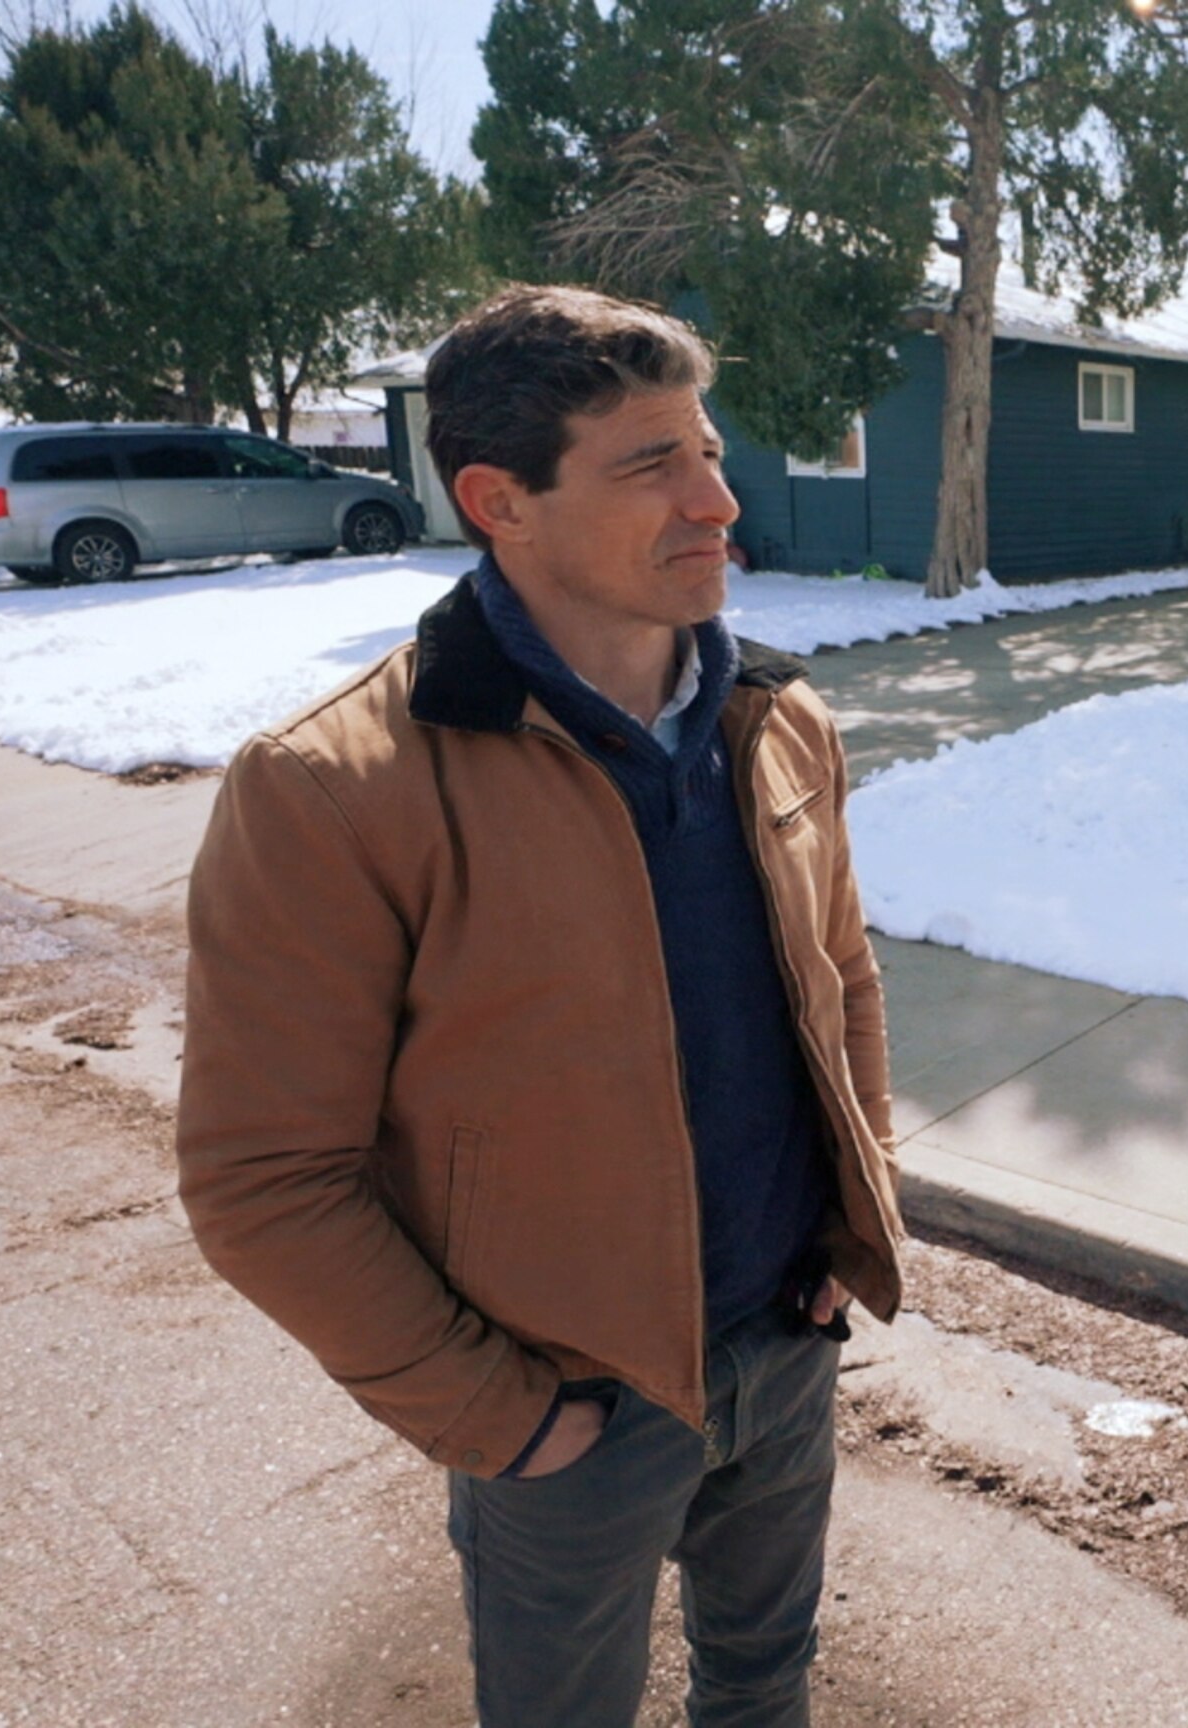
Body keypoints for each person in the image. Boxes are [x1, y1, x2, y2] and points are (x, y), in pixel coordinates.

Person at [176, 284, 903, 1728]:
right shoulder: (336, 787)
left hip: (784, 1342)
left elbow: (844, 987)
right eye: (650, 466)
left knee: (767, 1683)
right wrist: (507, 1423)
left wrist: (849, 1219)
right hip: (570, 1408)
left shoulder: (779, 717)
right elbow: (263, 1178)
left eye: (706, 451)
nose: (718, 502)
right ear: (500, 500)